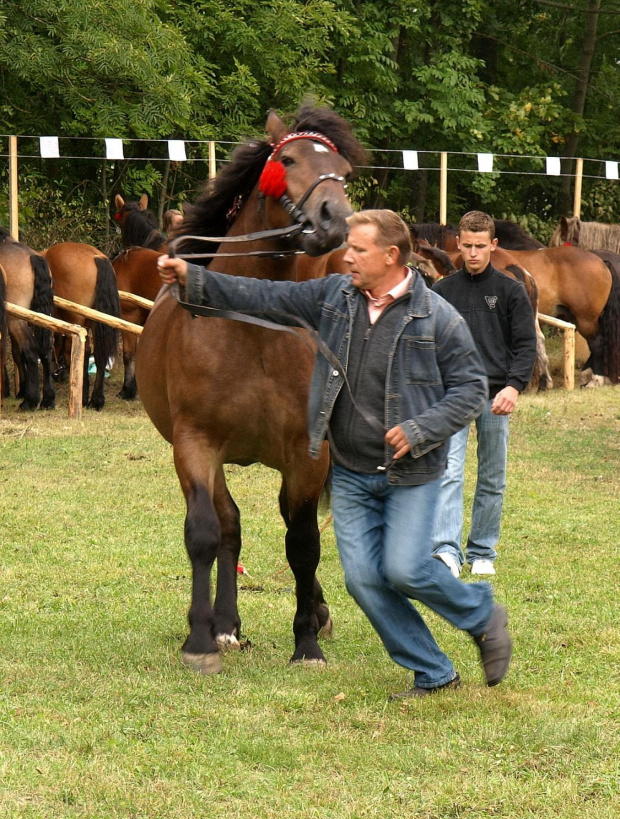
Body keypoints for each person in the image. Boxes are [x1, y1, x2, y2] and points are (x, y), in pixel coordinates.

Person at [157, 209, 512, 698]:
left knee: (406, 568)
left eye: (358, 249)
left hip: (410, 468)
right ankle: (433, 671)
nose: (346, 256)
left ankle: (483, 616)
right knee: (363, 582)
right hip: (349, 470)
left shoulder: (438, 316)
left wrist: (421, 427)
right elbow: (264, 294)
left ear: (390, 256)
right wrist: (192, 277)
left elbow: (473, 389)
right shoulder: (333, 298)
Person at [431, 211, 537, 578]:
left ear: (494, 245)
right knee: (448, 471)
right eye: (467, 245)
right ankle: (446, 549)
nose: (473, 253)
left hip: (496, 395)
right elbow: (428, 344)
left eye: (481, 246)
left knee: (492, 475)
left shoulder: (511, 290)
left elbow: (525, 346)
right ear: (458, 244)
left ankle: (482, 551)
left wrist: (514, 386)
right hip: (453, 395)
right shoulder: (441, 292)